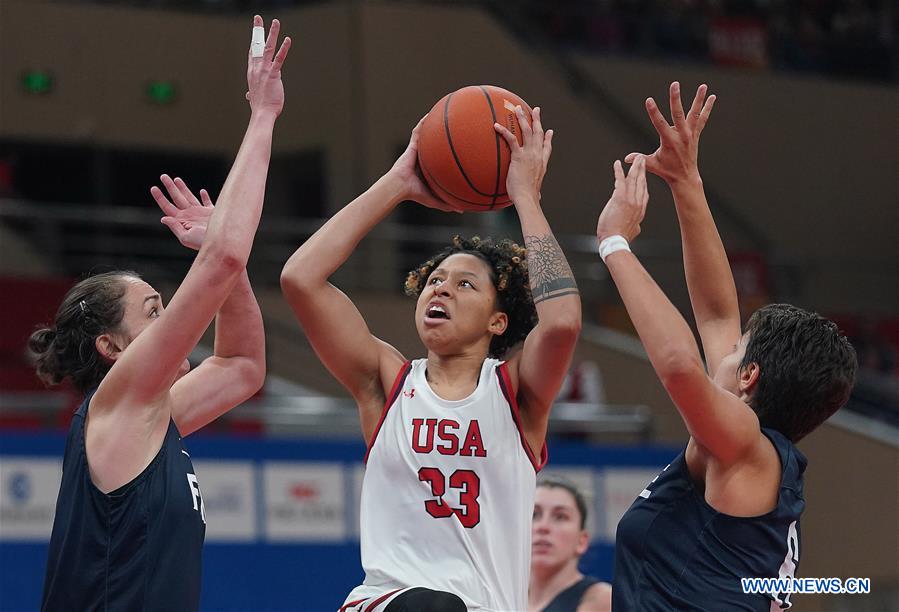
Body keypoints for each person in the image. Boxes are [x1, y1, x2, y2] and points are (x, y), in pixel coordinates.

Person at [29, 17, 290, 611]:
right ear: (112, 347)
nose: (172, 321)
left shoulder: (152, 416)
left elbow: (244, 365)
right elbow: (226, 254)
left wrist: (229, 268)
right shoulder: (118, 405)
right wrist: (263, 117)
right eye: (153, 311)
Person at [281, 105, 581, 611]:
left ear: (497, 321)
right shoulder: (387, 381)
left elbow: (564, 322)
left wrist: (525, 196)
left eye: (465, 284)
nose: (441, 289)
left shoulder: (515, 393)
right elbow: (300, 279)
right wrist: (397, 182)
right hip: (386, 600)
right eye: (435, 280)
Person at [594, 82, 857, 610]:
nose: (727, 346)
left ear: (750, 377)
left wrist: (614, 245)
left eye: (739, 350)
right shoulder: (747, 445)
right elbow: (716, 313)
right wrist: (686, 181)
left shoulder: (741, 441)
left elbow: (678, 366)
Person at [529, 474, 611, 612]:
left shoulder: (602, 600)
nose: (543, 527)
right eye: (534, 515)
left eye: (560, 516)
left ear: (582, 541)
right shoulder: (499, 596)